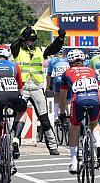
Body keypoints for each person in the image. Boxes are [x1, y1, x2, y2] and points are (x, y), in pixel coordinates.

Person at [10, 26, 66, 155]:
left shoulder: (39, 50)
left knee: (44, 118)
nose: (31, 42)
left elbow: (53, 48)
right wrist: (22, 37)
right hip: (21, 87)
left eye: (33, 40)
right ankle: (15, 142)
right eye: (28, 39)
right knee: (19, 114)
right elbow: (13, 46)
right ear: (23, 39)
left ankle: (52, 146)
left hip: (36, 86)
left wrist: (60, 39)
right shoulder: (17, 50)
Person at [59, 49, 100, 173]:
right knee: (94, 123)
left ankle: (73, 162)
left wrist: (62, 112)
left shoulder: (67, 72)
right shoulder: (92, 71)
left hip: (78, 100)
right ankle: (99, 145)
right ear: (83, 61)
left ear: (70, 62)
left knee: (74, 127)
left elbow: (62, 96)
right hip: (95, 99)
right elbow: (99, 91)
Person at [0, 46, 27, 159]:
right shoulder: (14, 66)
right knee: (23, 111)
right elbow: (20, 87)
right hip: (13, 95)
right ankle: (16, 137)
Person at [46, 50, 70, 122]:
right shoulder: (68, 60)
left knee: (56, 95)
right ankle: (69, 114)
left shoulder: (52, 60)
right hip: (67, 80)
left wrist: (47, 88)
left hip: (58, 79)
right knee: (68, 98)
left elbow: (49, 75)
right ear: (64, 55)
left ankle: (55, 115)